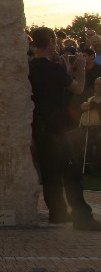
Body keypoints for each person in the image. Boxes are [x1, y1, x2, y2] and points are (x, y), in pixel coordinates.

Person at [29, 26, 101, 230]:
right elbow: (77, 88)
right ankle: (82, 217)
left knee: (50, 171)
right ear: (51, 41)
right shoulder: (53, 68)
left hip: (39, 127)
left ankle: (57, 212)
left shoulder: (32, 67)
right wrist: (79, 67)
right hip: (56, 128)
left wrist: (66, 71)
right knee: (72, 170)